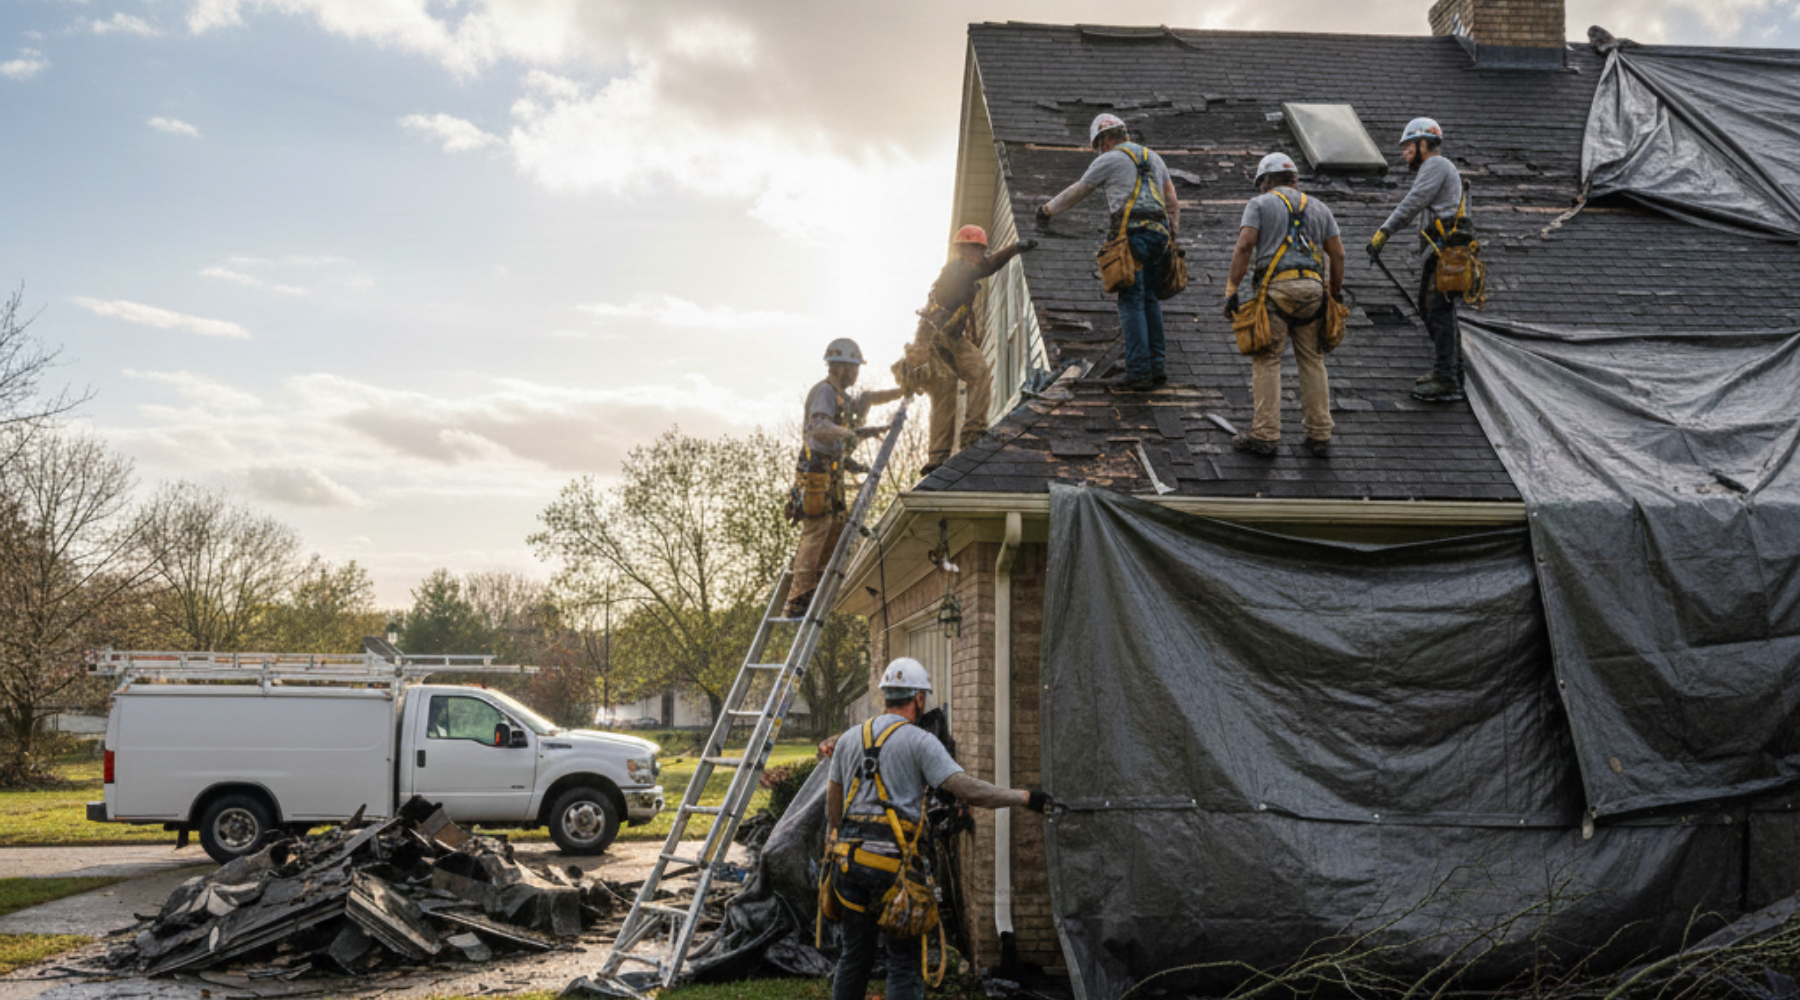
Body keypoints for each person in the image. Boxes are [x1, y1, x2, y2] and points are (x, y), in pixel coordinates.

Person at [825, 658, 1053, 1000]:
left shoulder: (848, 740)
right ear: (918, 698)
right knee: (903, 961)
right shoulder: (920, 741)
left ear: (885, 694)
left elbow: (833, 812)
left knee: (854, 957)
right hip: (896, 874)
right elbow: (966, 789)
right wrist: (1022, 797)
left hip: (849, 866)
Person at [1035, 112, 1181, 391]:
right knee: (1150, 299)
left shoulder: (1109, 159)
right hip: (1160, 236)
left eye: (1099, 144)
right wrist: (1173, 236)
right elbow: (1172, 201)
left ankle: (1138, 372)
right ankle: (1157, 366)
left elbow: (1078, 191)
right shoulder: (1154, 158)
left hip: (1133, 235)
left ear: (1104, 139)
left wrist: (1047, 210)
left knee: (1131, 300)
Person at [1223, 152, 1346, 458]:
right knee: (1312, 360)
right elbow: (1339, 255)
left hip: (1277, 291)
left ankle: (1265, 435)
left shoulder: (1260, 204)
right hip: (1314, 293)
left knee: (1267, 359)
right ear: (1294, 180)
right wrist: (1334, 292)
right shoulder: (1320, 207)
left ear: (1265, 182)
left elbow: (1245, 245)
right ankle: (1319, 434)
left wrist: (1231, 288)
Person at [900, 225, 1037, 476]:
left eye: (981, 249)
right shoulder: (956, 269)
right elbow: (987, 267)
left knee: (978, 370)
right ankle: (937, 458)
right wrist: (1015, 247)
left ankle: (972, 436)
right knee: (945, 389)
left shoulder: (965, 277)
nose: (979, 253)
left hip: (950, 336)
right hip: (930, 338)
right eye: (975, 248)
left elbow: (964, 312)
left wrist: (972, 335)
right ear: (962, 249)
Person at [784, 338, 903, 619]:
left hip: (832, 472)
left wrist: (899, 394)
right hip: (816, 473)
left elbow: (867, 400)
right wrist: (849, 433)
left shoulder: (842, 396)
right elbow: (818, 427)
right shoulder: (824, 392)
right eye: (853, 369)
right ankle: (798, 598)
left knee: (835, 528)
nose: (856, 375)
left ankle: (817, 588)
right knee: (816, 532)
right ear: (839, 368)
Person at [1367, 117, 1466, 403]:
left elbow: (1414, 200)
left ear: (1425, 144)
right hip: (1443, 250)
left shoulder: (1435, 164)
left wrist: (1384, 232)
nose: (1404, 153)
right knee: (1432, 307)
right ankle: (1450, 371)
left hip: (1447, 251)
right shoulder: (1439, 169)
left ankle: (1447, 377)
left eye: (1409, 146)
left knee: (1438, 311)